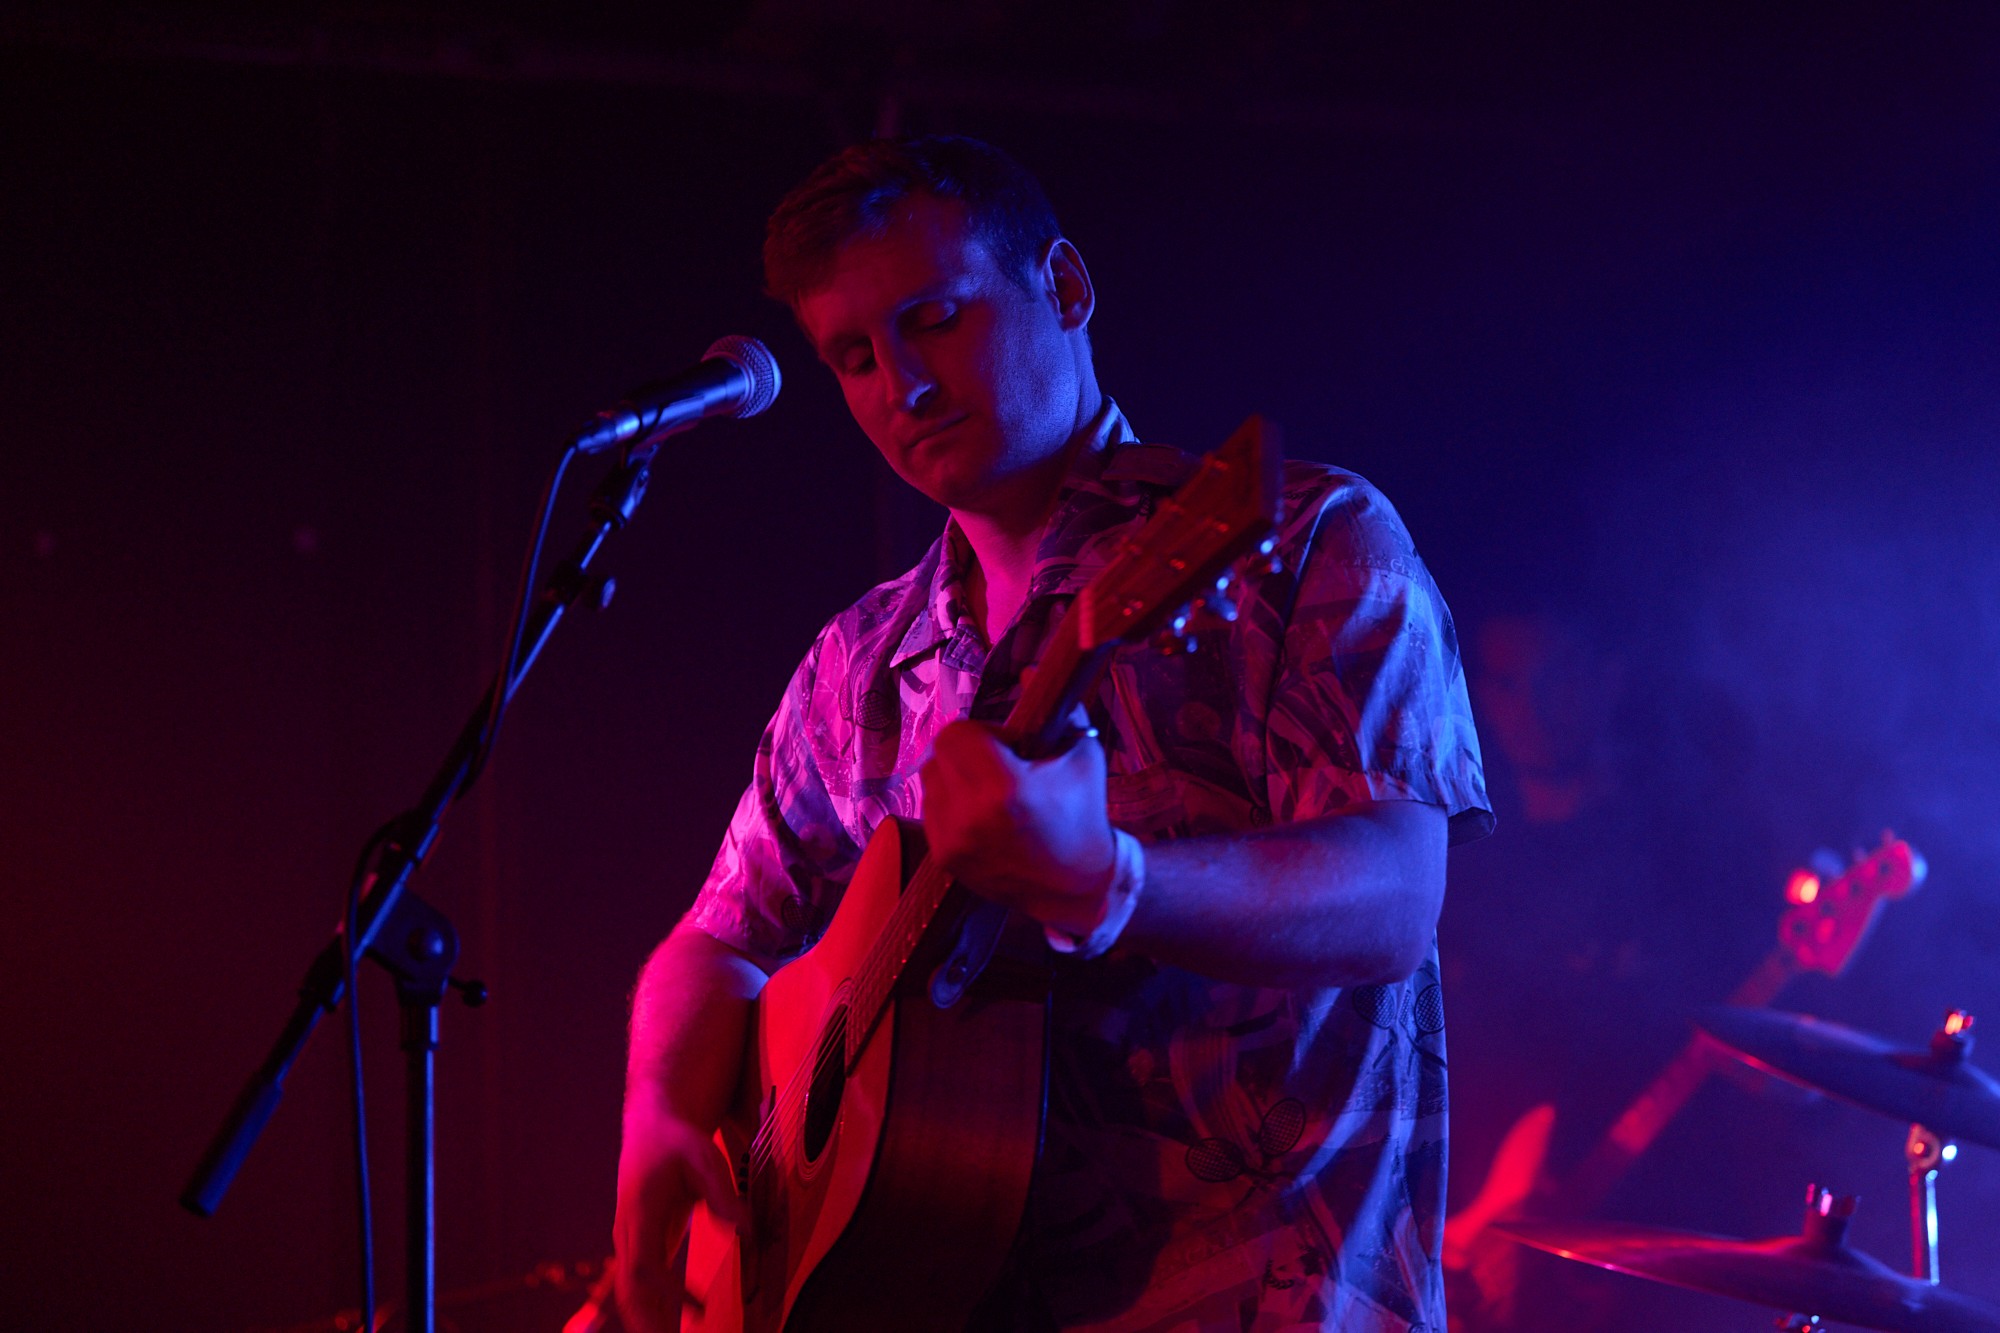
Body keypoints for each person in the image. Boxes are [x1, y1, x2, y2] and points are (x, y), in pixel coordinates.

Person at [613, 135, 1490, 1333]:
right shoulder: (855, 666)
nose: (901, 387)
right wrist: (661, 1111)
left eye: (934, 319)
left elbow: (1392, 897)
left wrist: (1113, 882)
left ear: (1065, 287)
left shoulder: (1306, 539)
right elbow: (715, 942)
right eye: (853, 358)